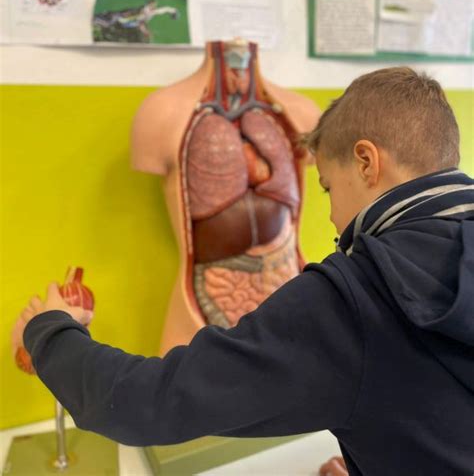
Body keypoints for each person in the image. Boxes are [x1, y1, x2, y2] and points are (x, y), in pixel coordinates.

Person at [13, 68, 474, 476]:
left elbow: (143, 404)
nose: (333, 219)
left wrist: (49, 329)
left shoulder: (354, 298)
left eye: (328, 188)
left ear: (367, 162)